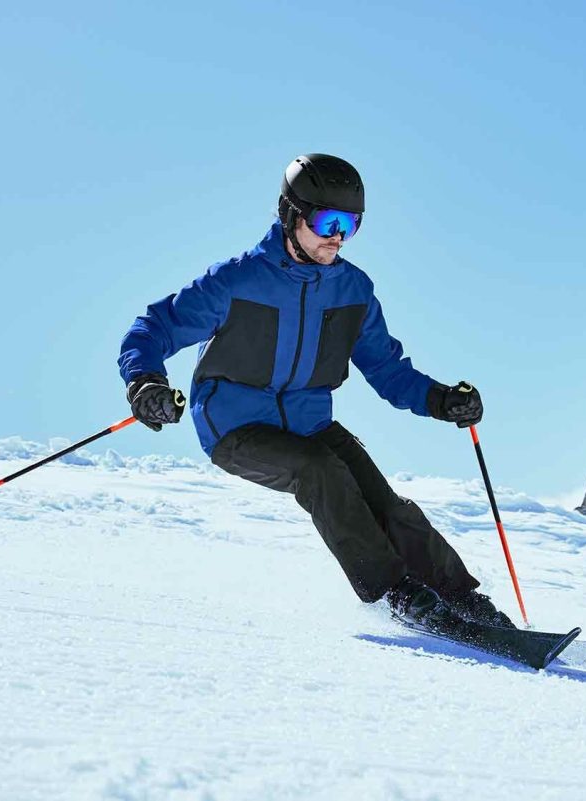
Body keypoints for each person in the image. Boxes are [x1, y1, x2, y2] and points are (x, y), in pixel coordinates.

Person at [118, 153, 514, 631]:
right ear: (291, 214)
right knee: (320, 471)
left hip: (310, 423)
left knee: (386, 504)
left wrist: (440, 400)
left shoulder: (353, 290)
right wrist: (145, 381)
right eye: (327, 220)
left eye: (351, 224)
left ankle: (464, 602)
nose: (338, 236)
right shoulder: (237, 280)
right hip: (236, 428)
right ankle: (396, 594)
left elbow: (387, 369)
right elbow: (152, 328)